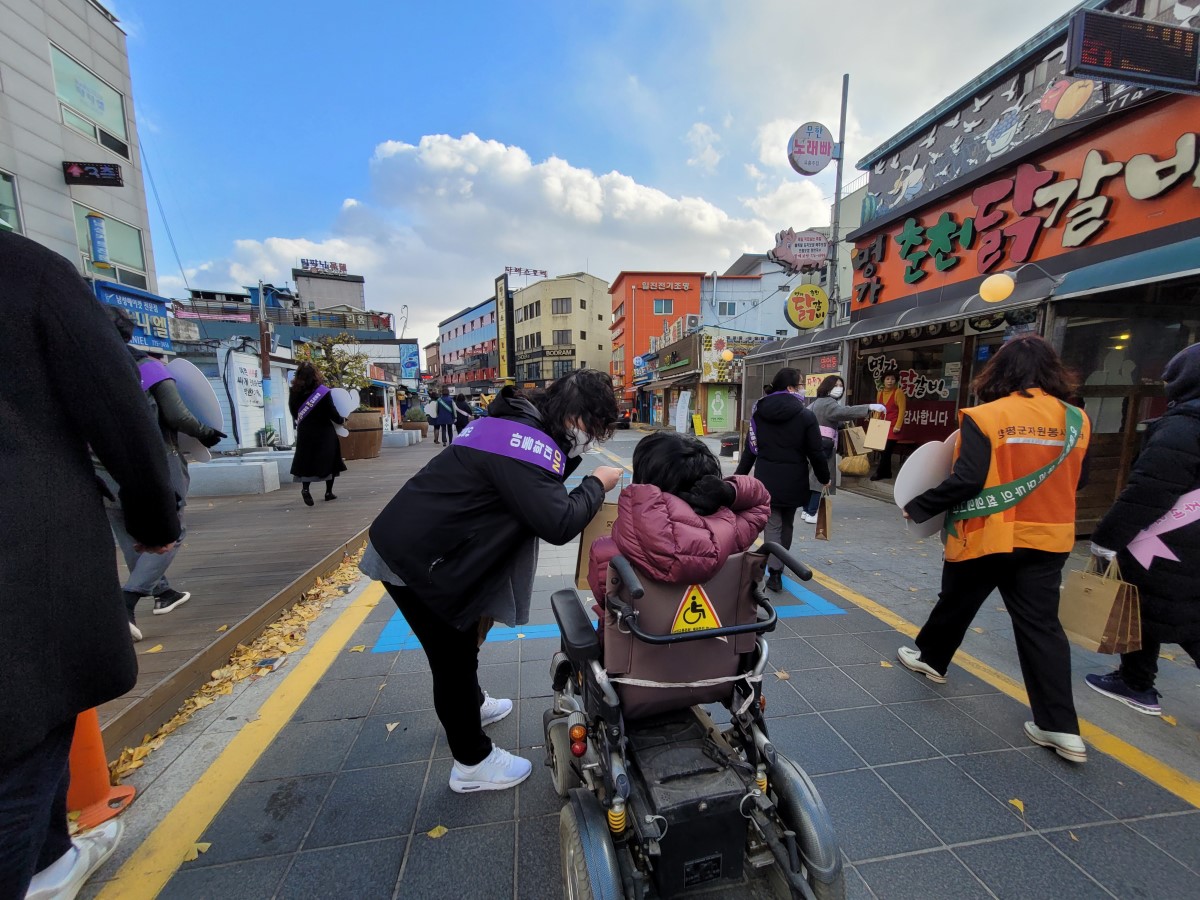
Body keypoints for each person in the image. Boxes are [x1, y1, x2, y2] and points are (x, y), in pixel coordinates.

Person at [0, 230, 180, 899]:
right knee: (24, 740)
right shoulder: (29, 271)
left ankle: (52, 862)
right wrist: (155, 524)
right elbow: (122, 414)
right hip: (25, 548)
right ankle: (39, 868)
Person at [359, 370, 624, 793]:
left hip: (426, 546)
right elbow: (557, 521)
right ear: (574, 416)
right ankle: (472, 762)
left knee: (463, 641)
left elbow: (540, 482)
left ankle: (473, 705)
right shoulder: (524, 443)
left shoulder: (519, 424)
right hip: (417, 559)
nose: (591, 439)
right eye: (591, 428)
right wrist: (595, 483)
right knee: (452, 657)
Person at [896, 335, 1092, 763]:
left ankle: (931, 659)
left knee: (957, 601)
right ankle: (1061, 728)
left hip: (989, 533)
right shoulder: (1077, 419)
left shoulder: (985, 416)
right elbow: (1083, 480)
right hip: (1048, 539)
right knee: (1041, 628)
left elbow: (967, 479)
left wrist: (920, 505)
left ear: (998, 371)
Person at [1085, 342, 1200, 715]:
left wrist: (1106, 538)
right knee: (1174, 613)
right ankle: (1134, 680)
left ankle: (1136, 683)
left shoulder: (1183, 428)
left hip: (1166, 543)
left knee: (1143, 604)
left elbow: (1146, 493)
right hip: (1188, 545)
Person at [100, 308, 225, 639]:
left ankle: (162, 592)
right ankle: (127, 602)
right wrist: (206, 433)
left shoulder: (84, 370)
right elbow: (177, 415)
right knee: (170, 530)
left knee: (129, 534)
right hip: (152, 462)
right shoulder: (148, 367)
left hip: (102, 468)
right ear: (129, 333)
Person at [587, 431, 770, 605]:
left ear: (644, 484)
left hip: (641, 637)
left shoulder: (607, 552)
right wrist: (730, 492)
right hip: (723, 635)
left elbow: (605, 601)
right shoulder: (734, 533)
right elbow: (761, 501)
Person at [735, 368, 830, 593]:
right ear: (790, 388)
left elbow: (750, 449)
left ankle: (775, 570)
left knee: (773, 523)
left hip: (766, 476)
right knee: (786, 522)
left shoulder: (759, 413)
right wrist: (824, 477)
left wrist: (738, 477)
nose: (802, 389)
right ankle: (777, 570)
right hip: (794, 477)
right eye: (799, 385)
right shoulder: (805, 415)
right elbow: (815, 452)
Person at [802, 375, 885, 523]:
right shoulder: (829, 404)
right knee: (818, 480)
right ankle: (812, 512)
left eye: (840, 385)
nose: (839, 388)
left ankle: (806, 509)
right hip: (824, 445)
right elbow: (845, 412)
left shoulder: (815, 403)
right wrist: (869, 407)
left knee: (810, 478)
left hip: (812, 444)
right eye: (836, 385)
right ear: (827, 387)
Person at [288, 362, 347, 505]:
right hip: (324, 431)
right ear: (316, 375)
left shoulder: (294, 391)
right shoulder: (323, 392)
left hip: (305, 431)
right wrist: (342, 420)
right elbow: (331, 411)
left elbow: (293, 411)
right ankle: (328, 492)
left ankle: (306, 489)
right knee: (330, 459)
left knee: (306, 459)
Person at [870, 372, 907, 481]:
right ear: (883, 381)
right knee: (883, 450)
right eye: (887, 379)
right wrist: (874, 423)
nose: (890, 381)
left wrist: (898, 425)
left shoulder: (898, 392)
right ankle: (888, 472)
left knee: (886, 449)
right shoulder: (880, 393)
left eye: (892, 379)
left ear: (895, 381)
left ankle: (880, 472)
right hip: (882, 425)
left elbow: (902, 410)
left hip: (893, 426)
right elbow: (878, 410)